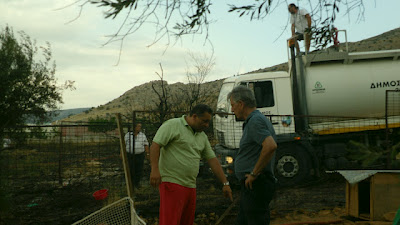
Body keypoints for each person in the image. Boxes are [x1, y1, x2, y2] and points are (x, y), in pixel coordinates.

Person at [149, 104, 233, 225]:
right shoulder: (172, 125)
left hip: (190, 185)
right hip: (172, 182)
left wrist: (225, 183)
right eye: (204, 121)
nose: (206, 125)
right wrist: (155, 169)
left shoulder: (202, 136)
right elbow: (155, 145)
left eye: (208, 122)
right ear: (194, 116)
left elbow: (212, 160)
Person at [228, 86, 278, 225]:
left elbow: (270, 146)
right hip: (252, 185)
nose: (232, 110)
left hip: (256, 184)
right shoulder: (256, 119)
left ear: (241, 104)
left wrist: (254, 174)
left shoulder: (255, 121)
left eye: (233, 105)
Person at [124, 123, 149, 189]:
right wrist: (122, 153)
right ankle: (130, 184)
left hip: (139, 155)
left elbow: (146, 145)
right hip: (130, 155)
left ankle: (137, 184)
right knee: (130, 169)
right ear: (134, 127)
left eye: (140, 126)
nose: (139, 128)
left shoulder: (142, 135)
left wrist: (147, 153)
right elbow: (123, 145)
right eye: (138, 126)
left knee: (139, 169)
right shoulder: (128, 135)